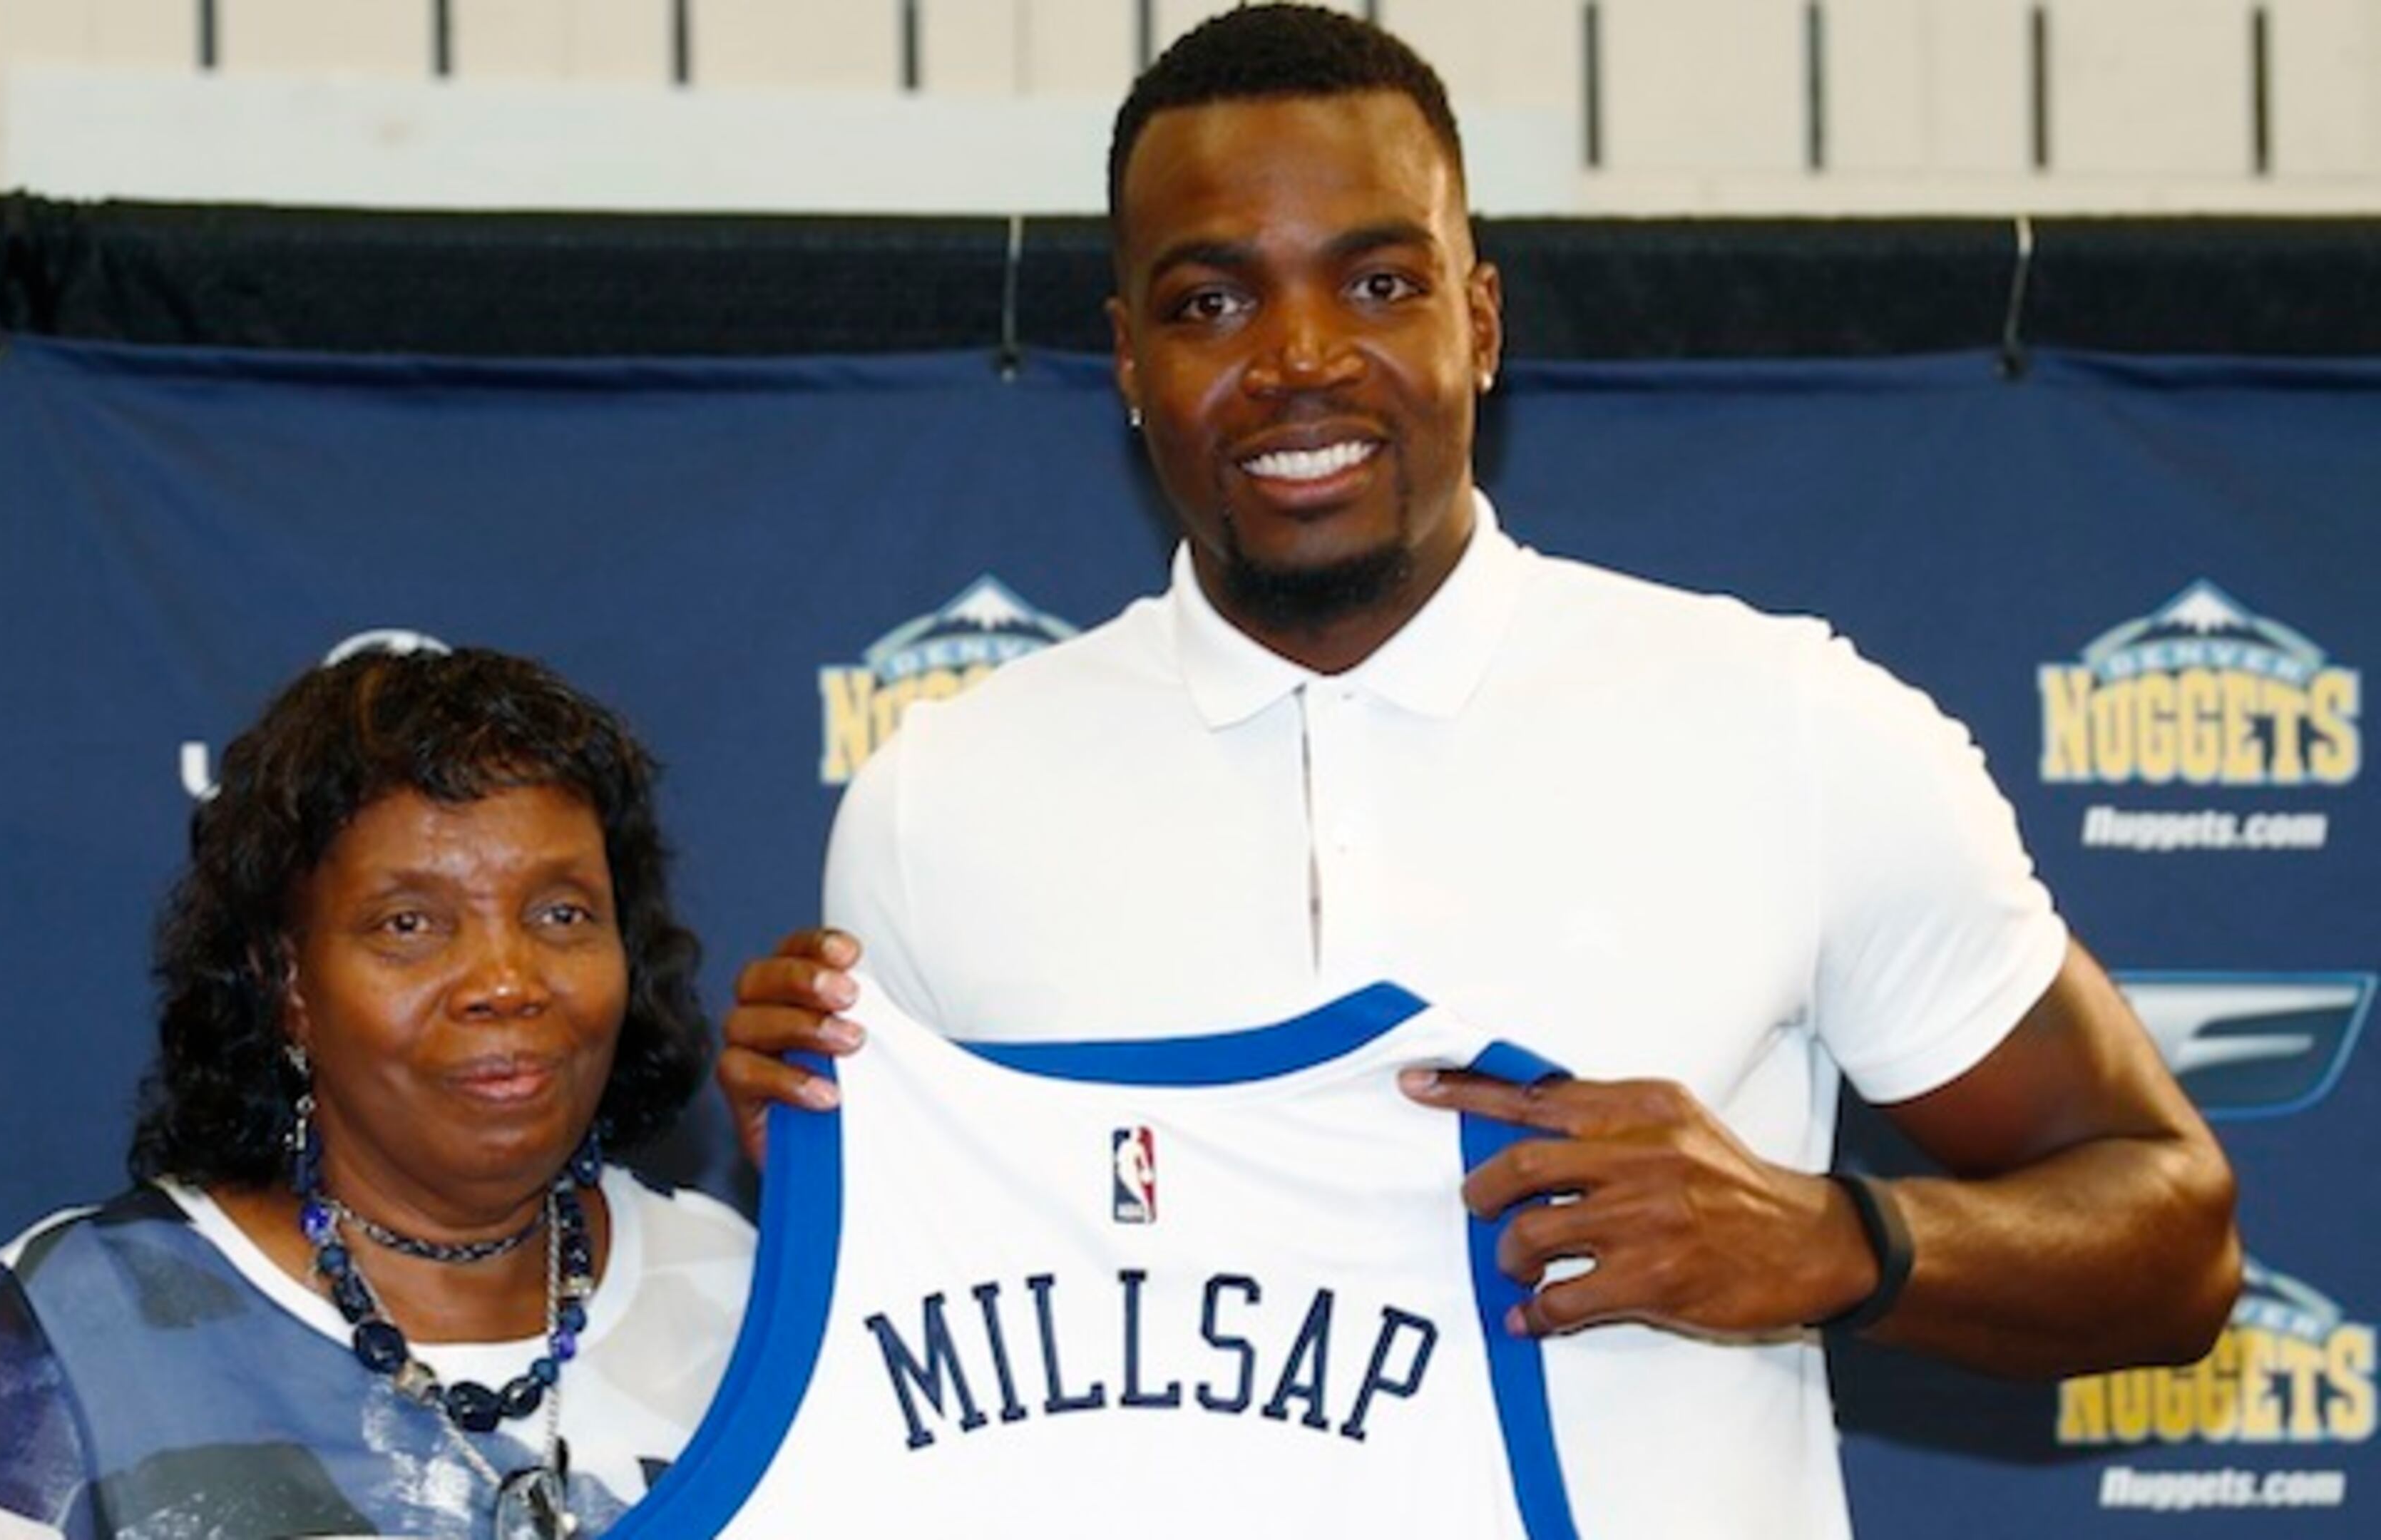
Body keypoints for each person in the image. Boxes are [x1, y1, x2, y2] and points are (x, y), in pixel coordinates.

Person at [717, 6, 2239, 1538]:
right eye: (1211, 301)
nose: (1300, 360)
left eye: (1379, 282)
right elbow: (924, 1399)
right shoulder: (942, 800)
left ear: (1482, 320)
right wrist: (847, 1202)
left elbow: (2177, 1238)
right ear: (1126, 356)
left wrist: (1838, 1239)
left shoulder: (1788, 722)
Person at [0, 647, 752, 1540]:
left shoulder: (752, 1297)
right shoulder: (63, 1332)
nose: (506, 980)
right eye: (409, 923)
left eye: (562, 913)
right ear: (290, 985)